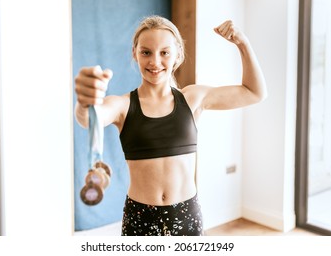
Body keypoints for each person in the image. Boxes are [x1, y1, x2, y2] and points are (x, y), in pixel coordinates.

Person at [74, 15, 267, 236]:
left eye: (164, 52)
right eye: (146, 52)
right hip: (140, 219)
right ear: (135, 54)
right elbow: (89, 119)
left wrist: (243, 43)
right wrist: (84, 102)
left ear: (177, 56)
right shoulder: (122, 105)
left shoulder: (193, 98)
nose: (155, 62)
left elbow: (254, 92)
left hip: (187, 216)